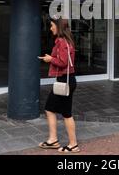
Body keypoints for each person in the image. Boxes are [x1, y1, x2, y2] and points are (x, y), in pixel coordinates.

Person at [38, 16, 80, 153]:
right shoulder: (66, 40)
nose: (50, 28)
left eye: (52, 25)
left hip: (65, 81)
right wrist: (50, 59)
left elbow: (63, 62)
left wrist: (50, 59)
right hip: (67, 80)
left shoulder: (62, 41)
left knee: (63, 112)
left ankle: (72, 144)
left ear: (58, 26)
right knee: (51, 109)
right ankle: (54, 140)